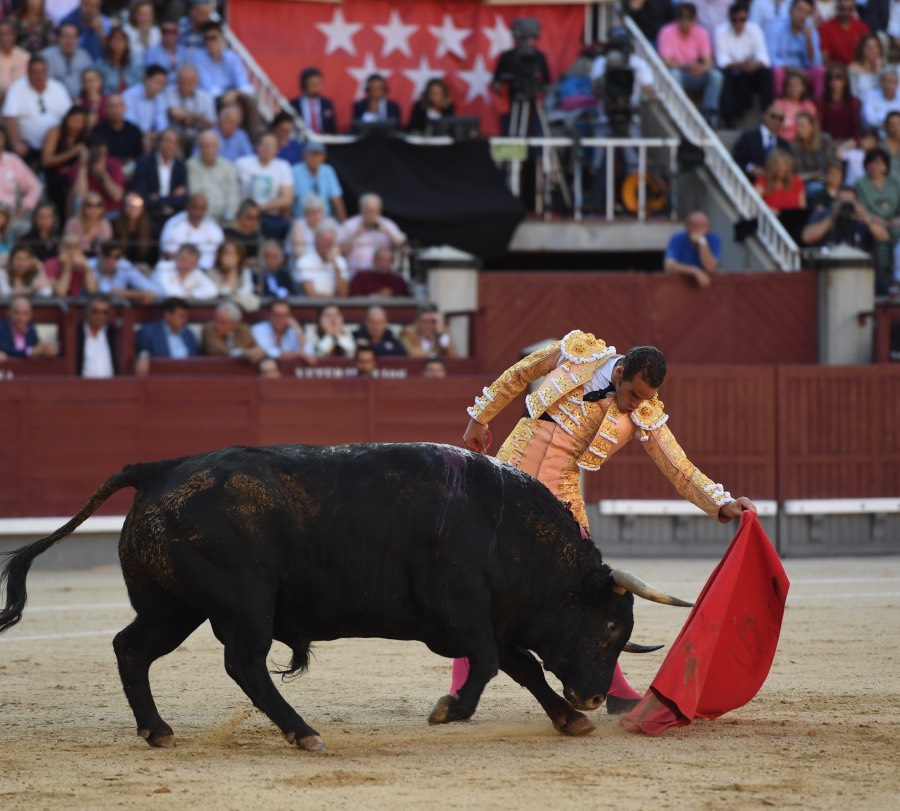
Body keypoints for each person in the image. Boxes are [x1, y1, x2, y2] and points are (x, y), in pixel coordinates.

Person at [453, 335, 756, 712]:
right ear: (619, 371)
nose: (636, 404)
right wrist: (479, 418)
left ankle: (616, 691)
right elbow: (518, 374)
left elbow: (677, 466)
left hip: (561, 491)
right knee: (481, 575)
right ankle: (460, 689)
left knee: (589, 589)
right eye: (633, 394)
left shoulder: (643, 411)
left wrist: (722, 502)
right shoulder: (576, 352)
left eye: (645, 398)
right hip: (509, 473)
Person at [657, 2, 723, 125]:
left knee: (716, 75)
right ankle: (679, 112)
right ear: (677, 18)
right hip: (680, 74)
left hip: (695, 74)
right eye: (682, 17)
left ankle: (709, 114)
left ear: (694, 19)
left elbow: (708, 62)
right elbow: (666, 61)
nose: (685, 21)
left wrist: (700, 69)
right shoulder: (666, 32)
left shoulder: (702, 32)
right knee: (674, 74)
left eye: (689, 17)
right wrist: (686, 67)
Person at [192, 20, 259, 138]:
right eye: (206, 39)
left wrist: (234, 93)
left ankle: (254, 140)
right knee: (232, 106)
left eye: (213, 38)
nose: (209, 42)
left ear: (222, 39)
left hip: (232, 96)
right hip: (213, 100)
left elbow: (244, 85)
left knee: (252, 100)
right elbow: (207, 88)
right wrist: (228, 95)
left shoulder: (232, 57)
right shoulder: (199, 58)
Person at [2, 55, 71, 166]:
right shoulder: (17, 89)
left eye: (42, 72)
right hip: (28, 147)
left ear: (47, 72)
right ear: (28, 73)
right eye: (35, 73)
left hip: (56, 144)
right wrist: (16, 143)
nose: (39, 76)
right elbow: (9, 117)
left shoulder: (58, 88)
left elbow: (69, 115)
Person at [714, 2, 775, 127]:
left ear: (747, 18)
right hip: (731, 72)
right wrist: (740, 65)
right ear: (729, 17)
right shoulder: (720, 30)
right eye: (734, 20)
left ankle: (769, 115)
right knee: (724, 75)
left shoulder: (754, 29)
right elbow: (721, 60)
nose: (738, 23)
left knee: (766, 73)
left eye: (742, 20)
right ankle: (728, 119)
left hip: (749, 71)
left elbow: (764, 57)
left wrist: (753, 65)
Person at [235, 132, 294, 241]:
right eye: (264, 144)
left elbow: (287, 199)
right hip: (245, 213)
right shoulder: (242, 164)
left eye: (271, 145)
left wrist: (259, 208)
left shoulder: (283, 166)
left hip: (270, 215)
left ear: (277, 150)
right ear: (257, 146)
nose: (267, 148)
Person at [764, 0, 824, 100]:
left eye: (807, 13)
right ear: (791, 10)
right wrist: (792, 69)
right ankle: (780, 104)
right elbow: (771, 58)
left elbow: (816, 62)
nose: (803, 15)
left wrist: (809, 42)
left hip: (803, 72)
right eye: (800, 10)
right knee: (777, 71)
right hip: (784, 71)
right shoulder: (775, 28)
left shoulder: (810, 31)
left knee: (820, 71)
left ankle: (817, 105)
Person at [338, 192, 406, 276]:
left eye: (374, 211)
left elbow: (403, 248)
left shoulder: (387, 224)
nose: (371, 214)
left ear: (379, 210)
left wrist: (388, 233)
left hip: (382, 275)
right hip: (356, 275)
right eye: (368, 211)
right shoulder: (350, 225)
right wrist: (355, 235)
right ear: (361, 209)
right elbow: (339, 251)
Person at [131, 128, 188, 225]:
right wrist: (172, 197)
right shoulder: (144, 163)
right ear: (159, 143)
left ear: (177, 146)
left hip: (174, 216)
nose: (170, 145)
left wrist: (159, 198)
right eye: (167, 141)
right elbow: (142, 194)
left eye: (174, 142)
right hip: (150, 215)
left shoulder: (181, 166)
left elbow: (183, 199)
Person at [134, 295, 199, 375]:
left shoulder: (188, 334)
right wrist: (144, 356)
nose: (185, 320)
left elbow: (196, 359)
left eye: (186, 316)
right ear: (168, 315)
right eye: (181, 316)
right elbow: (143, 351)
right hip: (160, 378)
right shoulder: (149, 332)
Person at [159, 192, 224, 270]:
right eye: (195, 208)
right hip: (177, 271)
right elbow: (168, 254)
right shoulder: (174, 225)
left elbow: (221, 253)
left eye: (202, 209)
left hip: (208, 272)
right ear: (188, 206)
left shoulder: (214, 228)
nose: (198, 213)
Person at [187, 129, 240, 223]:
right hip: (200, 219)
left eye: (212, 146)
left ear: (218, 148)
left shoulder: (227, 166)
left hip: (225, 219)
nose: (208, 150)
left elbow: (233, 195)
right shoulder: (191, 166)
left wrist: (228, 216)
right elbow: (194, 194)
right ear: (199, 148)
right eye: (205, 146)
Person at [201, 300, 270, 370]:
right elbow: (218, 350)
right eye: (216, 320)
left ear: (235, 324)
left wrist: (256, 352)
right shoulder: (210, 329)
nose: (217, 325)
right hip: (215, 369)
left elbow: (256, 350)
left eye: (222, 323)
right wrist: (244, 353)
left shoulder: (244, 330)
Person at [84, 238, 158, 304]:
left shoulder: (123, 264)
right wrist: (138, 295)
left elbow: (154, 290)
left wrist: (144, 296)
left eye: (117, 257)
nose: (112, 260)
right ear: (101, 256)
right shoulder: (91, 264)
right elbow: (104, 292)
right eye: (108, 256)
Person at [731, 103, 790, 180]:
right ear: (764, 115)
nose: (776, 121)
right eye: (773, 116)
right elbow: (737, 159)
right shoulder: (748, 137)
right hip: (751, 181)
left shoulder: (784, 144)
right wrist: (751, 168)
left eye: (780, 119)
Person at [70, 134, 126, 215]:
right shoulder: (78, 166)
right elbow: (79, 196)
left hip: (110, 212)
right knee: (77, 202)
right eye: (98, 153)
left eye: (105, 153)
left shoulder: (114, 164)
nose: (102, 157)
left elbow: (117, 196)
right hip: (87, 214)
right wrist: (83, 167)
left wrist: (103, 174)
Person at [663, 210, 720, 287]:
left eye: (701, 225)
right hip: (679, 285)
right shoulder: (677, 238)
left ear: (707, 228)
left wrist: (702, 242)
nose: (696, 229)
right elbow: (669, 266)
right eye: (693, 225)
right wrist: (695, 271)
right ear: (687, 226)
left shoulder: (713, 239)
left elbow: (710, 267)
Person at [90, 92, 143, 175]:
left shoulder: (134, 130)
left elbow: (139, 156)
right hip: (107, 171)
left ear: (124, 107)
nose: (115, 110)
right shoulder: (98, 131)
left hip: (131, 171)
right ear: (105, 109)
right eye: (111, 106)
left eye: (118, 106)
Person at [291, 140, 345, 221]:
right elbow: (290, 199)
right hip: (301, 218)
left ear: (324, 157)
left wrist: (344, 224)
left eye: (317, 155)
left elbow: (337, 199)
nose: (314, 158)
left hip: (324, 219)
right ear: (304, 155)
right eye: (311, 154)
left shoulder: (328, 171)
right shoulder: (295, 170)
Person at [0, 122, 41, 226]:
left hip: (9, 216)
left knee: (24, 227)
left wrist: (25, 205)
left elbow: (35, 186)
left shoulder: (12, 160)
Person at [40, 20, 92, 99]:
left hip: (79, 101)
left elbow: (91, 81)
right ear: (58, 38)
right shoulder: (46, 56)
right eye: (66, 37)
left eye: (74, 37)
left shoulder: (84, 56)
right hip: (53, 98)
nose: (70, 41)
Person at [250, 299, 315, 361]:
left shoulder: (292, 331)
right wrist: (298, 354)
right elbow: (268, 352)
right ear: (270, 315)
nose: (279, 319)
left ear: (289, 317)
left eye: (283, 316)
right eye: (276, 315)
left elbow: (308, 352)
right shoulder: (258, 329)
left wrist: (297, 329)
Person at [294, 222, 349, 297]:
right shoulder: (304, 262)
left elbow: (343, 294)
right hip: (313, 304)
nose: (328, 247)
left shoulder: (340, 261)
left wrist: (335, 266)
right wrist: (334, 297)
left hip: (336, 304)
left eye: (330, 243)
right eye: (324, 243)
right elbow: (311, 295)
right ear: (316, 243)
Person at [0, 294, 58, 361]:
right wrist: (32, 352)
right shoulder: (1, 329)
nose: (20, 318)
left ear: (30, 315)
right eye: (17, 313)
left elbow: (37, 349)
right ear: (9, 313)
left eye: (25, 314)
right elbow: (7, 352)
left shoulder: (31, 331)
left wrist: (46, 350)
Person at [151, 242, 218, 300]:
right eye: (184, 260)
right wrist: (189, 293)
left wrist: (193, 294)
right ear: (176, 257)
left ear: (196, 264)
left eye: (191, 263)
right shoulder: (163, 267)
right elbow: (168, 292)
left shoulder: (196, 272)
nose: (186, 265)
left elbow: (213, 290)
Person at [207, 238, 258, 312]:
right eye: (227, 253)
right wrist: (232, 271)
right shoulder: (212, 273)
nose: (231, 258)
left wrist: (234, 270)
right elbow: (224, 293)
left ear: (240, 257)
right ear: (220, 255)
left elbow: (247, 291)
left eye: (235, 254)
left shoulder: (245, 271)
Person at [122, 64, 169, 146]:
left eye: (163, 84)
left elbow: (162, 125)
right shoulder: (129, 95)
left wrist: (152, 135)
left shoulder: (160, 97)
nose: (160, 87)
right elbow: (130, 122)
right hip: (130, 135)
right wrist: (146, 135)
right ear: (146, 79)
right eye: (158, 82)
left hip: (153, 137)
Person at [791, 110, 834, 198]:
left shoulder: (825, 140)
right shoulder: (794, 145)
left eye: (802, 125)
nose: (799, 129)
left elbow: (831, 163)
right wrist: (813, 175)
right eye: (797, 125)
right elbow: (798, 175)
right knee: (815, 188)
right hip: (806, 183)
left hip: (828, 179)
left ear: (812, 127)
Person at [817, 62, 862, 143]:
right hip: (826, 144)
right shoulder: (821, 102)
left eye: (838, 77)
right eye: (830, 78)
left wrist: (843, 147)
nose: (834, 81)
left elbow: (857, 132)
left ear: (845, 80)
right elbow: (819, 130)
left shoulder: (854, 103)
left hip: (849, 145)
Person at [113, 191, 157, 270]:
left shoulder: (151, 227)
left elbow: (153, 255)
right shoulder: (114, 225)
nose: (133, 208)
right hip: (120, 267)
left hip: (144, 268)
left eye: (137, 205)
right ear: (124, 206)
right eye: (130, 205)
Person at [75, 293, 116, 377]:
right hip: (83, 384)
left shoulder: (113, 333)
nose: (100, 316)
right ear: (88, 311)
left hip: (110, 384)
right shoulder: (77, 332)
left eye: (104, 312)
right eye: (96, 311)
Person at [819, 0, 870, 67]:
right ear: (837, 8)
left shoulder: (862, 27)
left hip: (858, 68)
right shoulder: (826, 27)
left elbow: (868, 53)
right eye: (842, 9)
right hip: (836, 69)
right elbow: (825, 55)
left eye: (850, 9)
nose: (846, 12)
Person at [290, 66, 336, 135]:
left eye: (319, 83)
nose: (317, 87)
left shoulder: (327, 104)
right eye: (313, 84)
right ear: (304, 84)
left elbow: (332, 129)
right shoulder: (294, 105)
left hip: (324, 138)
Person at [96, 25, 141, 95]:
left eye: (120, 40)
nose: (117, 44)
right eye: (114, 40)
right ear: (109, 43)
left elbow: (139, 87)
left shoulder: (134, 65)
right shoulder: (100, 66)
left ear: (126, 44)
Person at [63, 191, 113, 256]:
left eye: (98, 205)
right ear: (83, 207)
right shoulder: (72, 223)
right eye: (90, 205)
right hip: (76, 257)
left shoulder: (105, 224)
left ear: (102, 208)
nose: (94, 209)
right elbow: (68, 246)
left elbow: (107, 248)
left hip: (100, 258)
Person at [143, 16, 189, 85]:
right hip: (160, 88)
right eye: (165, 31)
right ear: (161, 33)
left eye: (172, 32)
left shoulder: (184, 52)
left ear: (178, 34)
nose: (168, 35)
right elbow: (153, 76)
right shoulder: (151, 53)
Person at [775, 68, 817, 141]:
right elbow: (775, 126)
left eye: (797, 85)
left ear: (803, 88)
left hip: (804, 142)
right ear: (786, 88)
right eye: (790, 85)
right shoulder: (778, 104)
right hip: (783, 142)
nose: (794, 88)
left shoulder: (808, 105)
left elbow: (812, 128)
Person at [287, 192, 325, 260]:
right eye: (313, 212)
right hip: (303, 262)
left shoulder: (326, 225)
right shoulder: (299, 225)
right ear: (306, 214)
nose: (317, 216)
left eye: (319, 211)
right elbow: (299, 252)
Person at [0, 19, 30, 105]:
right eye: (2, 34)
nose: (5, 38)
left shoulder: (25, 57)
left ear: (14, 35)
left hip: (21, 102)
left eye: (8, 34)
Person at [848, 33, 885, 101]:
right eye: (868, 46)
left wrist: (878, 71)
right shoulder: (853, 68)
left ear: (879, 49)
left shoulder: (884, 69)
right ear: (862, 49)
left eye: (875, 46)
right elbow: (853, 93)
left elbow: (885, 93)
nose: (871, 49)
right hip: (859, 103)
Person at [861, 70, 900, 134]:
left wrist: (880, 118)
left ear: (897, 84)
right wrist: (893, 123)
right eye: (885, 82)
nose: (888, 86)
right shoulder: (870, 95)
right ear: (880, 82)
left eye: (892, 82)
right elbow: (869, 120)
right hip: (876, 134)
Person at [123, 0, 160, 68]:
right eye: (141, 14)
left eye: (148, 14)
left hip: (153, 69)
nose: (145, 18)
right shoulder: (127, 31)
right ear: (135, 15)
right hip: (132, 69)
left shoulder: (156, 31)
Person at [76, 66, 105, 130]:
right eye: (85, 81)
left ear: (100, 82)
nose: (89, 84)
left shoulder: (108, 100)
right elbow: (90, 128)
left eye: (92, 81)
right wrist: (94, 105)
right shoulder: (79, 102)